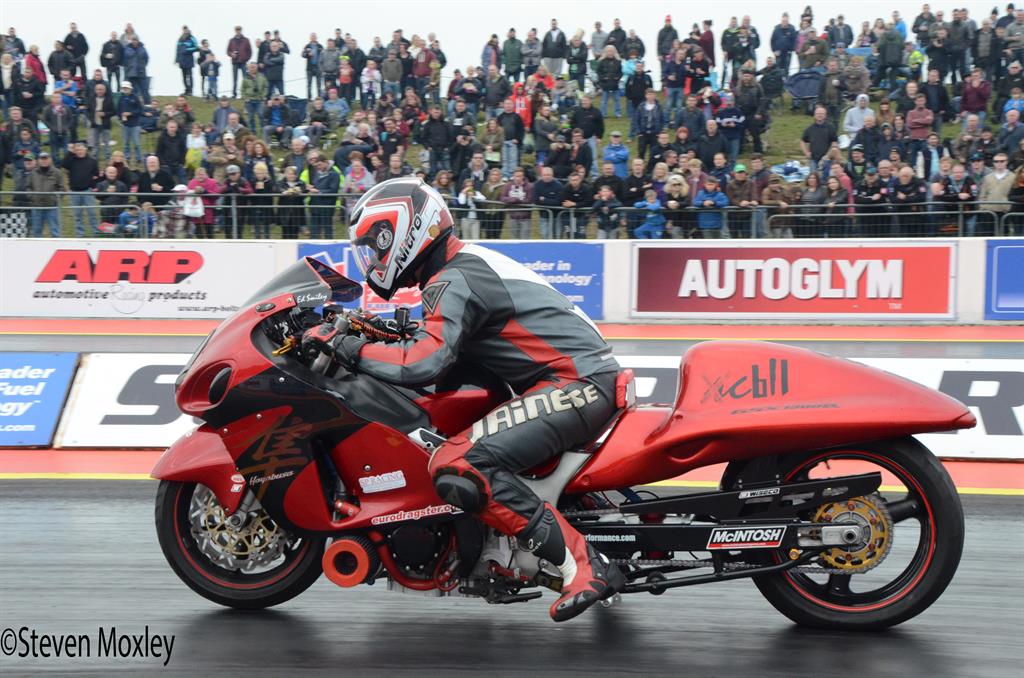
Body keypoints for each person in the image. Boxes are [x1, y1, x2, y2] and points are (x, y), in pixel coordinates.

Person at [303, 178, 625, 623]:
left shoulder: (455, 278)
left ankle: (584, 565)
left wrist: (348, 347)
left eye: (375, 247)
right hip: (574, 380)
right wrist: (374, 331)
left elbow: (423, 361)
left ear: (403, 233)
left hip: (574, 384)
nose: (372, 261)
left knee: (458, 464)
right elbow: (435, 337)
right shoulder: (459, 266)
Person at [29, 152, 66, 236]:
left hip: (52, 207)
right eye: (42, 159)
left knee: (55, 231)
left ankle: (56, 244)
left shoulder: (57, 172)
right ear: (38, 160)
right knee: (36, 232)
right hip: (37, 206)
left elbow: (62, 188)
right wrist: (32, 197)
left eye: (46, 159)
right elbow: (28, 187)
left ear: (50, 160)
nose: (44, 161)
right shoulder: (33, 173)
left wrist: (55, 199)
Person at [801, 105, 838, 172]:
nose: (819, 115)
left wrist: (830, 155)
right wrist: (806, 153)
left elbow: (834, 142)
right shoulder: (810, 129)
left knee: (826, 177)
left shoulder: (830, 128)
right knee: (813, 176)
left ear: (825, 115)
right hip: (813, 159)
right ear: (814, 115)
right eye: (818, 113)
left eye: (821, 114)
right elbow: (802, 141)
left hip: (827, 159)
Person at [227, 26, 252, 98]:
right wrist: (232, 54)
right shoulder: (231, 40)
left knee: (245, 79)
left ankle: (245, 94)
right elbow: (228, 51)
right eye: (237, 30)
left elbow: (250, 51)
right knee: (235, 79)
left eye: (239, 30)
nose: (238, 31)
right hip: (235, 62)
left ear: (241, 30)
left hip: (243, 62)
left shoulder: (246, 40)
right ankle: (234, 94)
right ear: (235, 31)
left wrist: (246, 59)